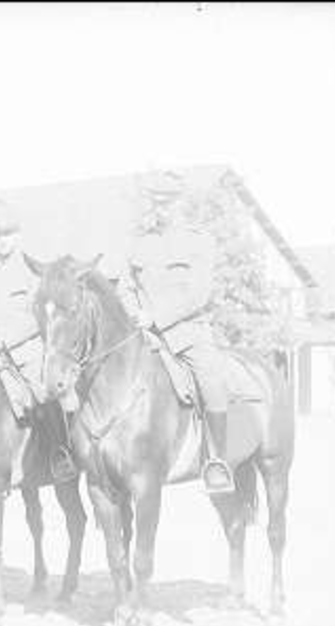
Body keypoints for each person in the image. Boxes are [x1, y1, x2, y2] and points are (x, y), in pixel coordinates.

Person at [122, 175, 234, 494]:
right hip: (144, 337)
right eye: (156, 202)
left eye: (167, 203)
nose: (161, 209)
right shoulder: (140, 243)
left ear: (181, 203)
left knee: (211, 381)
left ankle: (216, 460)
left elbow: (199, 294)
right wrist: (134, 313)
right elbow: (125, 287)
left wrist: (155, 318)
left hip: (188, 335)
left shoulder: (198, 241)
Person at [0, 199, 77, 482]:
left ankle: (59, 452)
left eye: (7, 233)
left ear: (17, 234)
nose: (2, 240)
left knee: (43, 395)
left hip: (26, 352)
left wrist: (4, 340)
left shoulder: (32, 271)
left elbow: (38, 317)